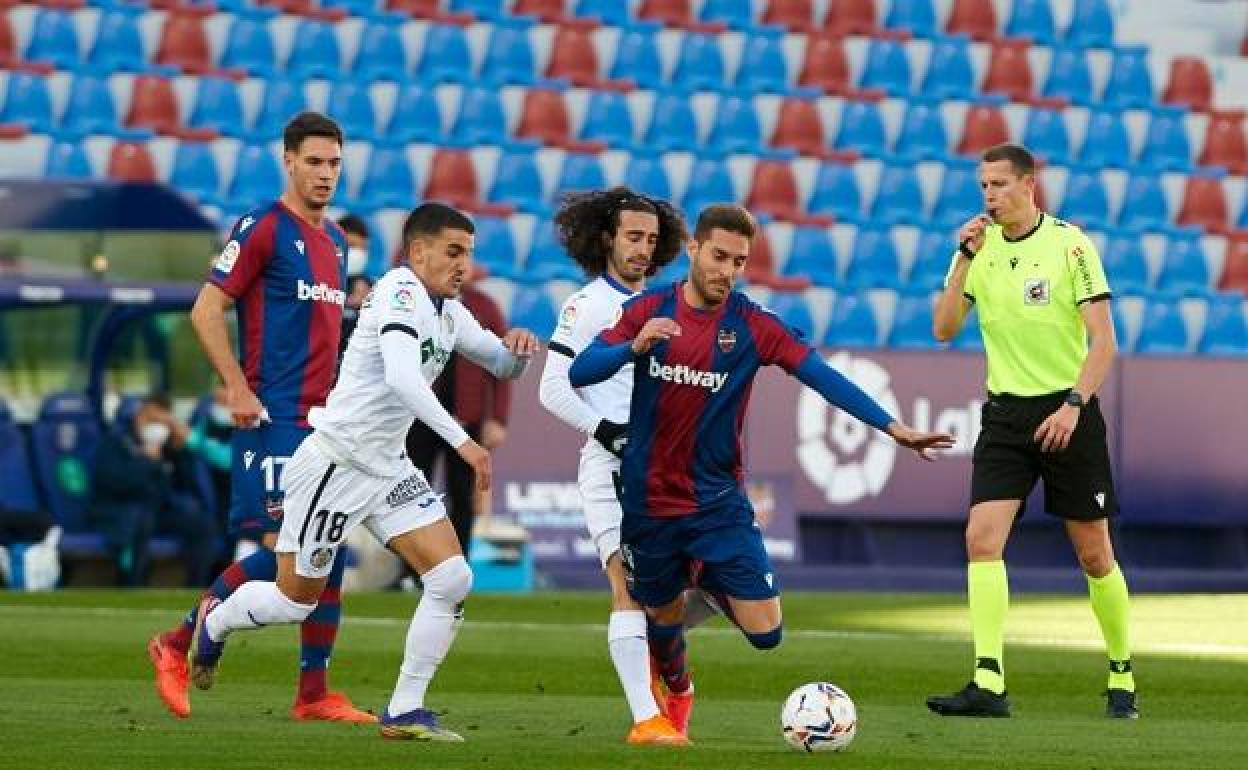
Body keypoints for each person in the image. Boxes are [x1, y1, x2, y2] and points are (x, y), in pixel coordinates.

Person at [568, 203, 953, 741]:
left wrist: (892, 428)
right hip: (649, 502)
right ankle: (677, 690)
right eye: (719, 256)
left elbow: (822, 376)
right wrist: (632, 348)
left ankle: (704, 578)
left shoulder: (753, 325)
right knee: (658, 620)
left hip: (718, 505)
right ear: (694, 250)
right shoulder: (649, 309)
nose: (727, 270)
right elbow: (578, 371)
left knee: (766, 632)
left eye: (739, 261)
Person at [192, 202, 538, 742]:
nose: (463, 265)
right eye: (452, 252)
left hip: (387, 468)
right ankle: (215, 622)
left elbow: (498, 362)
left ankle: (404, 710)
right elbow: (403, 378)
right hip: (337, 463)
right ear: (417, 252)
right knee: (294, 600)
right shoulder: (399, 291)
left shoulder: (449, 308)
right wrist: (464, 442)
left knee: (452, 578)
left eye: (468, 254)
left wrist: (517, 351)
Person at [146, 111, 372, 724]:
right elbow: (206, 309)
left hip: (323, 425)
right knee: (282, 555)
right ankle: (178, 640)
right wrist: (237, 388)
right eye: (315, 162)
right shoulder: (264, 228)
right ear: (289, 161)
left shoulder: (334, 245)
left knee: (329, 553)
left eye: (334, 163)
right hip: (272, 417)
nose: (326, 174)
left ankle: (313, 693)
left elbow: (326, 330)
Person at [927, 143, 1137, 719]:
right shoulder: (977, 248)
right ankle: (988, 681)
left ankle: (1121, 674)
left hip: (1068, 410)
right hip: (1006, 414)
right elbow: (944, 328)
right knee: (981, 540)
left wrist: (1073, 405)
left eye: (998, 184)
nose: (989, 196)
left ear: (1028, 185)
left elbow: (1104, 342)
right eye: (983, 186)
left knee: (1094, 555)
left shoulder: (1071, 244)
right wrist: (962, 259)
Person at [538, 187, 711, 745]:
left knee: (716, 589)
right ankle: (646, 718)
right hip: (611, 468)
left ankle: (662, 665)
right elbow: (551, 388)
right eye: (632, 237)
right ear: (607, 237)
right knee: (628, 591)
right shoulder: (585, 305)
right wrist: (606, 430)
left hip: (670, 470)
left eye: (651, 240)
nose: (642, 248)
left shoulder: (666, 304)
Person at [405, 268, 512, 559]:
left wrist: (498, 418)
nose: (459, 265)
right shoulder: (415, 301)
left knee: (462, 498)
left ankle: (457, 563)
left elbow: (501, 366)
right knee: (411, 495)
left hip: (468, 418)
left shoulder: (485, 306)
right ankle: (411, 569)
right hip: (422, 416)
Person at [90, 394, 220, 587]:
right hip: (121, 511)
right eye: (151, 420)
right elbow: (112, 483)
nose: (155, 426)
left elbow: (181, 484)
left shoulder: (168, 446)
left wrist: (180, 451)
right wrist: (147, 461)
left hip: (159, 510)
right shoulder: (117, 441)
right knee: (140, 521)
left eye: (162, 421)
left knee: (201, 524)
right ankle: (133, 586)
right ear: (139, 415)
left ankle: (196, 589)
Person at [338, 213, 374, 353]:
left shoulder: (374, 290)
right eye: (351, 246)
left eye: (362, 249)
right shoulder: (315, 284)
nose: (357, 253)